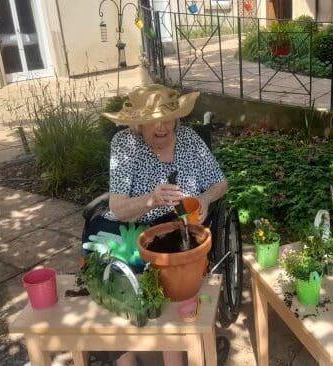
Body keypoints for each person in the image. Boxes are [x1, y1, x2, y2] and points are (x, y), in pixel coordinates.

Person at [85, 84, 230, 366]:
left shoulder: (189, 140)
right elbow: (118, 207)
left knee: (172, 275)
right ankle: (124, 360)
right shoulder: (125, 145)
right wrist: (151, 199)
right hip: (129, 222)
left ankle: (173, 357)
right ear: (138, 124)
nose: (163, 126)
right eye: (153, 120)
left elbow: (220, 182)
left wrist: (204, 197)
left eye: (168, 118)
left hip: (177, 223)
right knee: (113, 275)